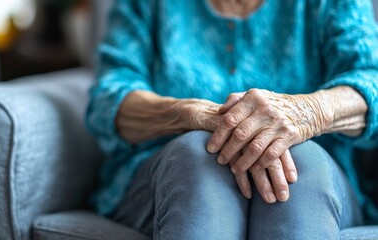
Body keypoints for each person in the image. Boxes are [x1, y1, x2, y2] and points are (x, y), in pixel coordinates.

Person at [86, 0, 378, 239]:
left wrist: (307, 113)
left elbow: (370, 79)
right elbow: (107, 101)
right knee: (199, 155)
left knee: (298, 163)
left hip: (316, 176)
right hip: (167, 172)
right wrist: (192, 115)